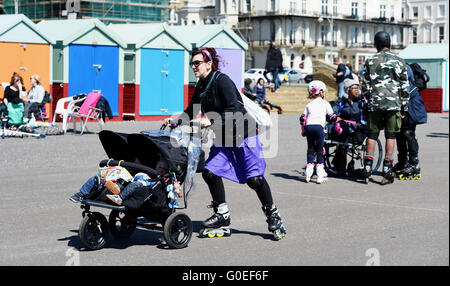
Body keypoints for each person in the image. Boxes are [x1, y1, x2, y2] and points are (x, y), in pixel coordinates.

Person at [164, 47, 286, 240]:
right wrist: (176, 120)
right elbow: (191, 110)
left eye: (197, 63)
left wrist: (210, 121)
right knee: (210, 172)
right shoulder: (202, 86)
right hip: (223, 138)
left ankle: (273, 214)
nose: (193, 66)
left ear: (209, 64)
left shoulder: (222, 81)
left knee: (254, 180)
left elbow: (235, 109)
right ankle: (222, 214)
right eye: (192, 64)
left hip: (244, 135)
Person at [361, 31, 410, 185]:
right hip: (393, 104)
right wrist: (404, 108)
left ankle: (368, 166)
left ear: (376, 43)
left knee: (373, 134)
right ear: (389, 44)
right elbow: (404, 86)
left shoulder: (370, 61)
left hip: (375, 104)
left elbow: (365, 86)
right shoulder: (400, 61)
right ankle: (387, 169)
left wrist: (367, 103)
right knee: (390, 135)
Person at [392, 63, 427, 180]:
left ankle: (414, 163)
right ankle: (402, 162)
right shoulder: (396, 66)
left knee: (408, 133)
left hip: (411, 103)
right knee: (399, 134)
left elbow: (407, 90)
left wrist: (403, 110)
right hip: (404, 103)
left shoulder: (403, 68)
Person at [105, 156, 182, 205]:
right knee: (124, 182)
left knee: (135, 184)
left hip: (144, 186)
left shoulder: (161, 179)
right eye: (159, 167)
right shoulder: (151, 174)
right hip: (135, 182)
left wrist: (145, 183)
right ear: (155, 167)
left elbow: (153, 184)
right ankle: (116, 189)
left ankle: (120, 198)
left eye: (164, 169)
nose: (161, 170)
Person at [300, 80, 334, 183]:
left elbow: (302, 118)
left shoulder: (309, 104)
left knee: (310, 148)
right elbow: (332, 117)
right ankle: (320, 175)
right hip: (319, 128)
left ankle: (308, 174)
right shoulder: (325, 103)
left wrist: (304, 128)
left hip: (309, 127)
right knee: (320, 150)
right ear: (321, 92)